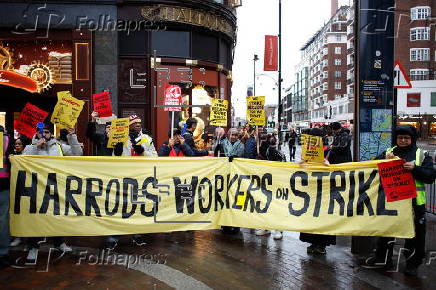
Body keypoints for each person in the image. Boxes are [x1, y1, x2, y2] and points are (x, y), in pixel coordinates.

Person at [363, 125, 436, 276]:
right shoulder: (389, 152)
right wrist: (383, 160)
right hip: (391, 202)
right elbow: (371, 168)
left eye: (406, 138)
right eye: (400, 138)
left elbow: (430, 176)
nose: (403, 140)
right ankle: (383, 259)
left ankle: (412, 264)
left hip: (414, 204)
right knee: (386, 232)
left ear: (412, 139)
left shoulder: (421, 155)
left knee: (414, 236)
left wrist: (415, 169)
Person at [22, 123, 82, 263]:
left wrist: (72, 137)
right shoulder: (30, 147)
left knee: (57, 214)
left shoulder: (59, 146)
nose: (44, 135)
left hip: (56, 187)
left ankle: (59, 242)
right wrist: (36, 146)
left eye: (47, 132)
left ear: (51, 133)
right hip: (37, 187)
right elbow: (22, 159)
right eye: (41, 132)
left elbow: (78, 153)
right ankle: (33, 246)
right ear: (36, 133)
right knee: (36, 217)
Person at [299, 128, 336, 254]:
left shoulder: (330, 151)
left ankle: (322, 245)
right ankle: (313, 242)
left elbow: (339, 170)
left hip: (325, 191)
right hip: (311, 190)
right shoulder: (306, 151)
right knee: (311, 217)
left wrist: (328, 164)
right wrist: (302, 162)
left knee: (323, 217)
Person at [256, 136, 286, 240]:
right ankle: (265, 226)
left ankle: (278, 229)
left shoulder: (279, 154)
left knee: (277, 205)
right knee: (265, 205)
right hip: (266, 182)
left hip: (277, 183)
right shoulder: (264, 152)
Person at [221, 128, 245, 234]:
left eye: (236, 135)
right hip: (224, 174)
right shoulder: (222, 144)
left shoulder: (241, 145)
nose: (234, 137)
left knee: (237, 198)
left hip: (236, 175)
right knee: (225, 198)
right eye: (232, 135)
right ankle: (225, 223)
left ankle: (236, 223)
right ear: (228, 135)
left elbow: (239, 158)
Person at [9, 136, 31, 248]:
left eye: (19, 144)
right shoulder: (13, 157)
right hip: (15, 188)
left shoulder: (27, 156)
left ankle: (26, 238)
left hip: (26, 189)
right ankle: (18, 237)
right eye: (16, 144)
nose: (17, 146)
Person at [0, 126, 13, 268]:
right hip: (3, 184)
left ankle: (3, 253)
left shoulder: (8, 142)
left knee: (2, 221)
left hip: (3, 185)